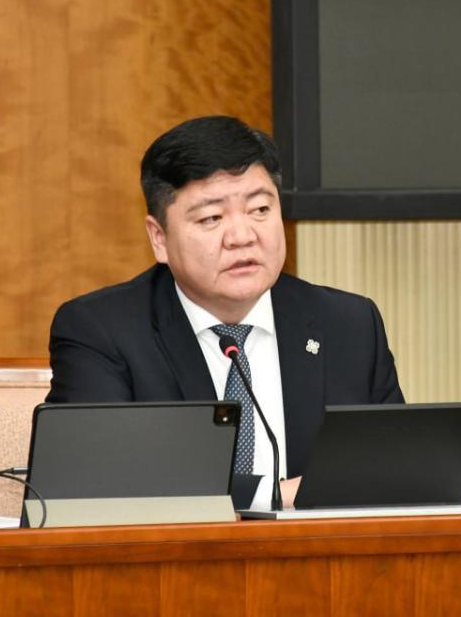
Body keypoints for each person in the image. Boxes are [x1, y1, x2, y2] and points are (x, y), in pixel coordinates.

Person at [47, 116, 404, 510]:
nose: (242, 236)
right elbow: (97, 485)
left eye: (260, 209)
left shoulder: (348, 324)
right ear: (159, 238)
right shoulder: (101, 331)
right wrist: (277, 496)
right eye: (211, 218)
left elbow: (395, 471)